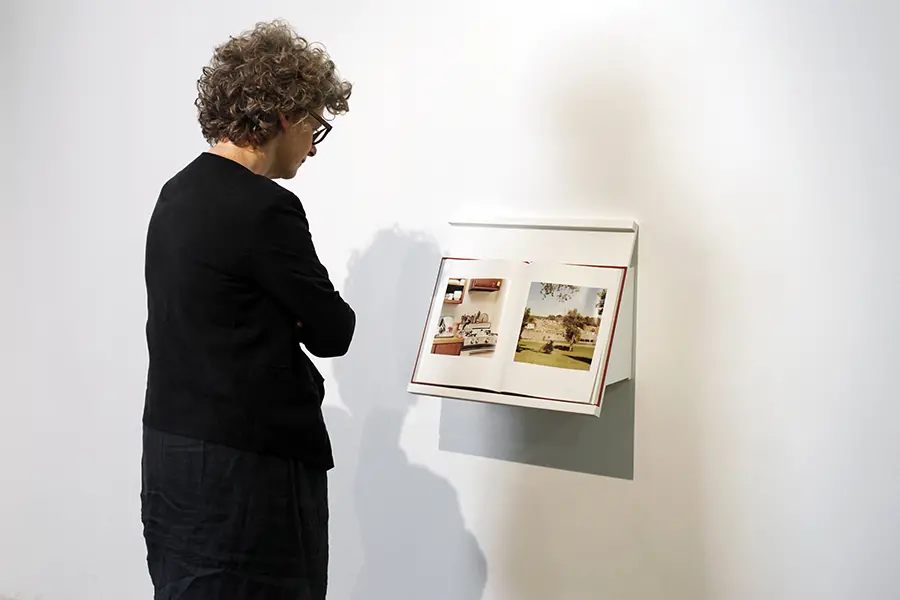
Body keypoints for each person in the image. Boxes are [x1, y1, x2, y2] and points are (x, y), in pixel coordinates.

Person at [140, 20, 355, 600]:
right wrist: (296, 317)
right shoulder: (266, 208)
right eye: (315, 125)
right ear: (285, 116)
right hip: (249, 472)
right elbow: (334, 330)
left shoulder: (175, 193)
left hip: (171, 459)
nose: (314, 145)